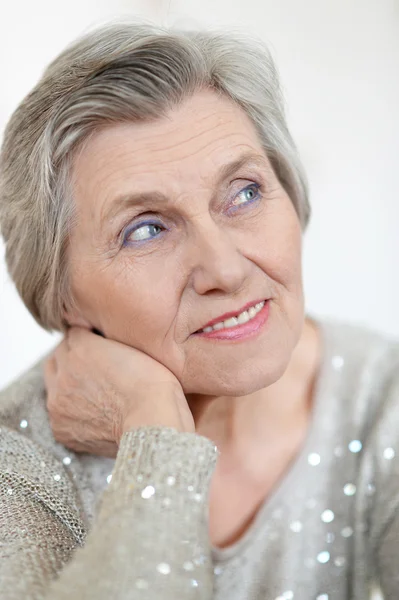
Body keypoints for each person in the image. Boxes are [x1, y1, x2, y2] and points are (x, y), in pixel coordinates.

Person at [0, 20, 397, 600]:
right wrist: (156, 434)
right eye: (146, 230)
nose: (227, 270)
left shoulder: (380, 396)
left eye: (244, 192)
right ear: (61, 295)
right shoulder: (18, 466)